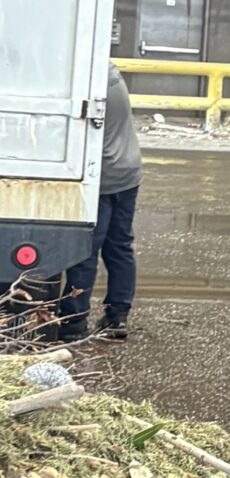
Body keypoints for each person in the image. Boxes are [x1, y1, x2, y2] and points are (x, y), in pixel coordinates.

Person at [57, 63, 141, 341]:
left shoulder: (88, 77)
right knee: (119, 246)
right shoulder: (110, 71)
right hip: (127, 170)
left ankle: (73, 320)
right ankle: (117, 316)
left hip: (102, 174)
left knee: (85, 249)